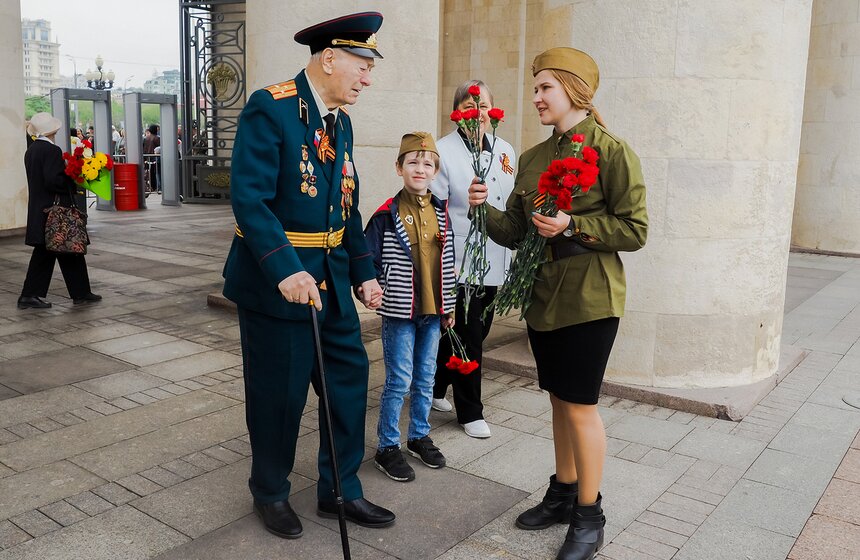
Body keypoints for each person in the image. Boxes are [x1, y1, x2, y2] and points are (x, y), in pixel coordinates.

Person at [468, 47, 647, 560]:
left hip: (591, 296)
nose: (537, 96)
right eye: (537, 87)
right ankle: (564, 492)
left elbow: (635, 231)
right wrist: (482, 213)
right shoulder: (533, 158)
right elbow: (518, 232)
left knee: (581, 405)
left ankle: (590, 516)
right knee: (558, 400)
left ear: (574, 89)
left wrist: (576, 226)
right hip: (544, 297)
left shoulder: (611, 151)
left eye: (545, 86)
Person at [222, 12, 394, 539]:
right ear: (330, 58)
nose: (367, 77)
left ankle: (340, 489)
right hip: (280, 285)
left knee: (348, 383)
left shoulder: (340, 122)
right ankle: (270, 491)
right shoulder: (269, 108)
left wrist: (363, 272)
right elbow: (249, 199)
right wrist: (286, 270)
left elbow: (346, 204)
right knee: (280, 396)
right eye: (362, 65)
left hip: (333, 283)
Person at [364, 132, 456, 482]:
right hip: (400, 312)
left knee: (426, 378)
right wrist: (373, 291)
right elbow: (368, 261)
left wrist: (449, 306)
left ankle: (418, 435)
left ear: (435, 171)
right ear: (399, 167)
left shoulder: (441, 211)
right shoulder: (386, 215)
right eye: (413, 162)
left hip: (433, 313)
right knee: (399, 380)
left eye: (428, 163)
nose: (420, 168)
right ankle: (387, 445)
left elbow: (447, 262)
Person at [431, 80, 516, 439]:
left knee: (467, 330)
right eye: (469, 105)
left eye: (482, 106)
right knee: (470, 335)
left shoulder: (505, 148)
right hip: (461, 258)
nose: (476, 113)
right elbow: (434, 209)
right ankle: (470, 411)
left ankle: (432, 388)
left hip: (496, 256)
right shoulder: (441, 151)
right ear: (457, 112)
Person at [18, 112, 101, 309]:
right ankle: (30, 295)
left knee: (67, 251)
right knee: (58, 249)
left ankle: (80, 292)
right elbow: (53, 180)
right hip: (55, 211)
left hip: (42, 210)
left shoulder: (31, 150)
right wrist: (72, 178)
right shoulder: (51, 150)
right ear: (52, 130)